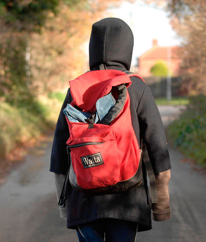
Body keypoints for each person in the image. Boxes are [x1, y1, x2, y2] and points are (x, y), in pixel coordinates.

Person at [50, 17, 172, 242]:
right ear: (127, 48)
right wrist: (160, 204)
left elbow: (59, 149)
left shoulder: (77, 89)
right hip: (128, 200)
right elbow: (158, 147)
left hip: (83, 199)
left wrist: (64, 205)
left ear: (92, 49)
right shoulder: (136, 87)